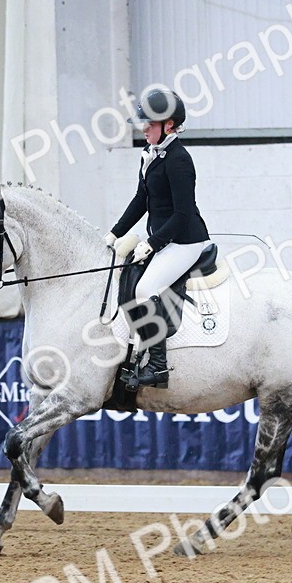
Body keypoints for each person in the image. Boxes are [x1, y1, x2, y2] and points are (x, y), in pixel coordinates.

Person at [103, 88, 212, 388]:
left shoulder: (179, 160)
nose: (143, 128)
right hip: (166, 239)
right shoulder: (149, 155)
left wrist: (151, 243)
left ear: (169, 125)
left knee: (145, 288)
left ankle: (159, 367)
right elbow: (141, 199)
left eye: (149, 123)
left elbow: (183, 215)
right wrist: (115, 232)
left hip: (185, 241)